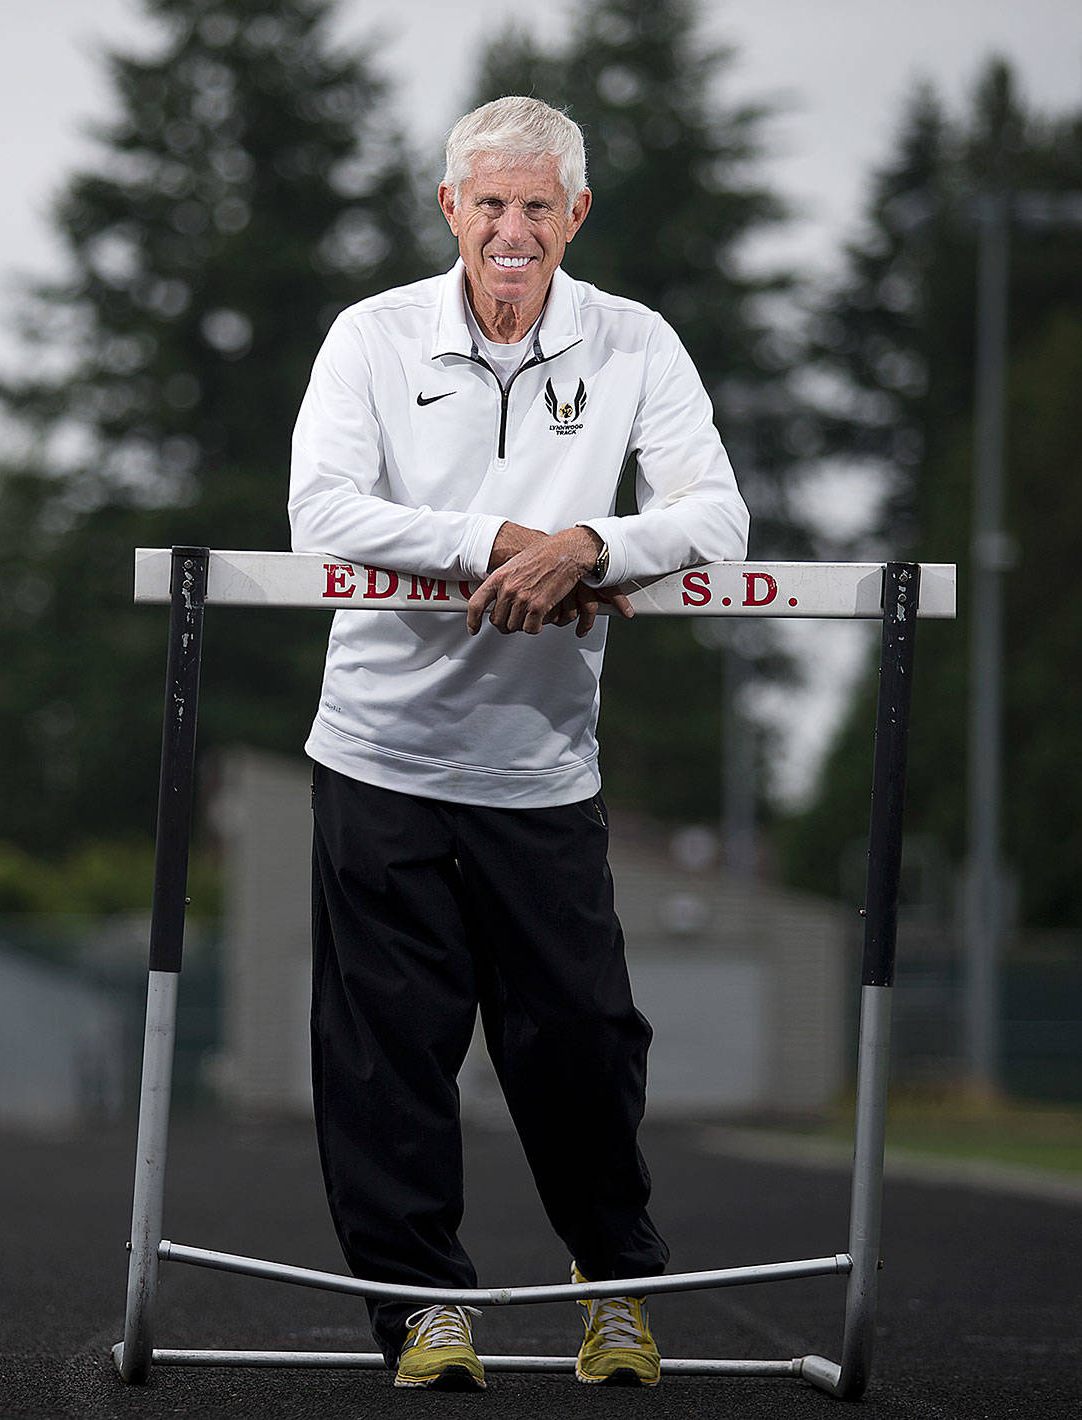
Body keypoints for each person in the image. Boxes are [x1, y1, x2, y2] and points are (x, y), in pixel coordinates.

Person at [284, 96, 750, 1391]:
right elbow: (320, 507)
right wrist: (498, 540)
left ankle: (613, 1285)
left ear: (574, 218)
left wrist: (595, 546)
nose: (511, 229)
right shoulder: (371, 339)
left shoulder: (635, 343)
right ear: (450, 210)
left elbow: (718, 517)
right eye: (488, 204)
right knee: (389, 1054)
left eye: (537, 207)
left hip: (542, 769)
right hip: (378, 758)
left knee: (583, 1041)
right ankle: (422, 1311)